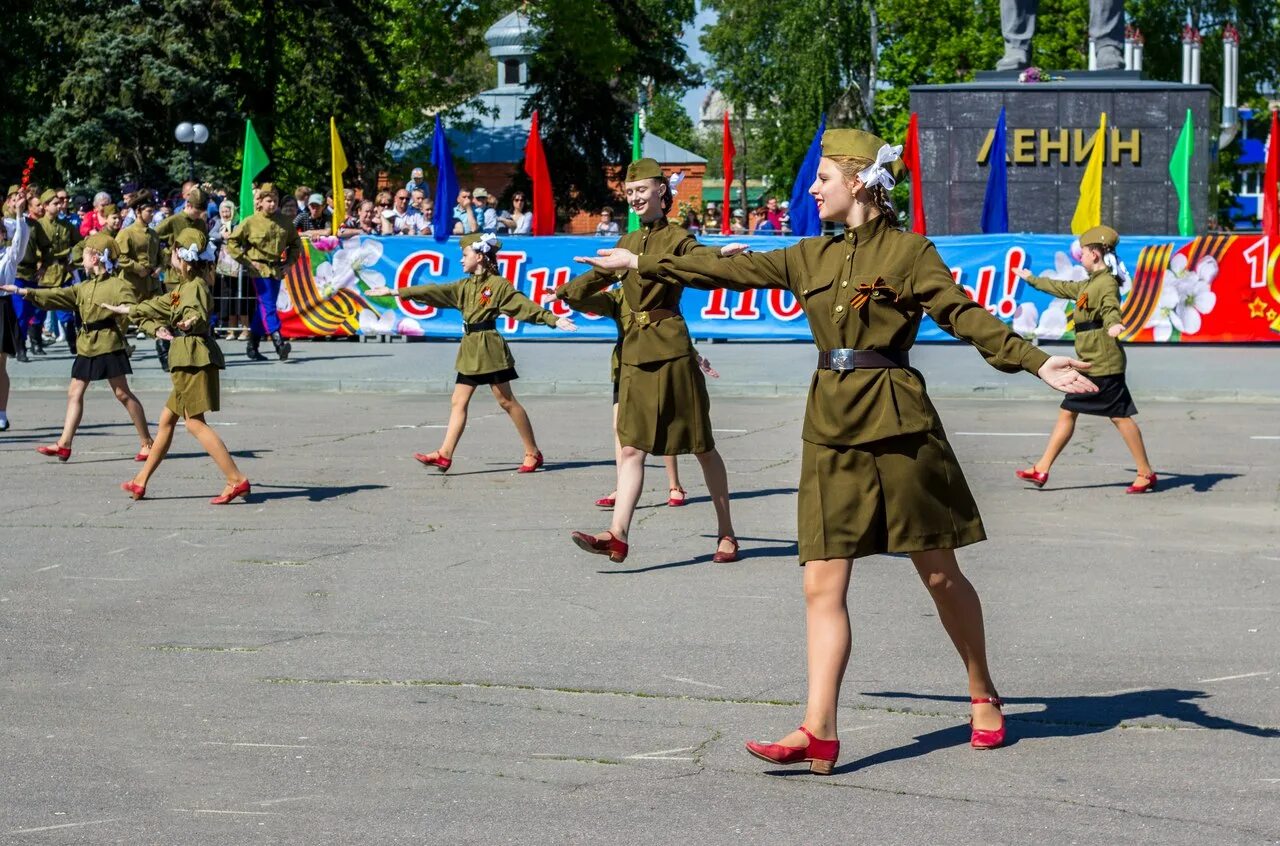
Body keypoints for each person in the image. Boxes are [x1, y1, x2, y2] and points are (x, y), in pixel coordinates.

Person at [577, 130, 1098, 772]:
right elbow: (726, 269)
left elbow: (964, 315)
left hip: (899, 426)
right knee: (821, 585)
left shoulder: (910, 253)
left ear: (858, 181)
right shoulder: (808, 257)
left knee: (937, 573)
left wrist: (1036, 362)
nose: (813, 188)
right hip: (829, 426)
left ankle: (982, 690)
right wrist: (642, 264)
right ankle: (818, 728)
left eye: (823, 176)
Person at [559, 157, 749, 565]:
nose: (635, 198)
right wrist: (581, 282)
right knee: (630, 450)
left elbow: (698, 262)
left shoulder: (678, 236)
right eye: (629, 193)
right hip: (634, 355)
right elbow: (586, 286)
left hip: (672, 351)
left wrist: (720, 252)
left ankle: (727, 532)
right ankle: (618, 534)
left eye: (641, 190)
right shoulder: (627, 241)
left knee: (701, 446)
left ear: (662, 191)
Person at [364, 233, 577, 472]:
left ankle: (532, 452)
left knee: (506, 401)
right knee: (458, 401)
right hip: (470, 348)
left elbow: (522, 305)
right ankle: (445, 454)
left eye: (465, 255)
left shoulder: (498, 285)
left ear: (480, 256)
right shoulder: (464, 286)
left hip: (490, 348)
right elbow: (434, 291)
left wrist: (552, 318)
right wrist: (395, 291)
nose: (461, 260)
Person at [103, 229, 249, 504]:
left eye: (172, 252)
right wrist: (127, 310)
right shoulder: (182, 286)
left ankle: (236, 479)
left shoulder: (194, 287)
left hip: (193, 358)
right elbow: (158, 304)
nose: (169, 256)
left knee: (194, 423)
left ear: (182, 257)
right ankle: (140, 481)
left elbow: (197, 311)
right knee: (166, 421)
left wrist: (190, 321)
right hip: (187, 358)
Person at [1014, 225, 1155, 492]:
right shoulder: (1090, 283)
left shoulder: (1106, 284)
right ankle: (1042, 468)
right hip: (1091, 360)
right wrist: (1031, 279)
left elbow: (1111, 308)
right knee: (1076, 412)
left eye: (1083, 252)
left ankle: (1145, 472)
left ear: (1095, 253)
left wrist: (1114, 324)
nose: (1079, 256)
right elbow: (1062, 287)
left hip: (1103, 364)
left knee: (1117, 416)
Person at [1, 233, 154, 463]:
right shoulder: (83, 287)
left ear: (95, 258)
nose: (80, 260)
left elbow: (133, 309)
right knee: (74, 392)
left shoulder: (118, 284)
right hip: (86, 345)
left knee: (122, 393)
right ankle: (64, 443)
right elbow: (57, 295)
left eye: (83, 255)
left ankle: (147, 443)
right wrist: (24, 291)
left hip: (108, 344)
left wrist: (148, 325)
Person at [566, 281, 717, 510]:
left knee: (667, 424)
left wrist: (694, 356)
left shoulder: (659, 294)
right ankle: (622, 487)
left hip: (659, 363)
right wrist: (565, 293)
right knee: (621, 428)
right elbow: (586, 302)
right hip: (626, 366)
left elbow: (673, 332)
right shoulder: (618, 297)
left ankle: (674, 485)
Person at [224, 183, 303, 362]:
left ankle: (253, 346)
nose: (272, 204)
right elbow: (232, 242)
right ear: (260, 202)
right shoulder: (250, 222)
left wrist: (289, 263)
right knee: (268, 305)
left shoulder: (284, 222)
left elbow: (295, 244)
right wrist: (247, 261)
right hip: (257, 270)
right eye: (269, 201)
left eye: (275, 201)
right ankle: (279, 344)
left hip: (275, 269)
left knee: (263, 309)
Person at [30, 189, 82, 356]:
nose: (59, 206)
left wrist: (73, 259)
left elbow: (79, 244)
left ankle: (73, 344)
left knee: (66, 309)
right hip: (44, 271)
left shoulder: (66, 225)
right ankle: (36, 344)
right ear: (45, 206)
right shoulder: (38, 226)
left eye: (60, 203)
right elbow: (33, 248)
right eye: (55, 203)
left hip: (63, 271)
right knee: (39, 309)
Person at [0, 188, 33, 429]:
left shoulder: (8, 256)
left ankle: (1, 412)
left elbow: (21, 241)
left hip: (2, 306)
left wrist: (20, 212)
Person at [209, 200, 250, 341]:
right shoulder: (218, 223)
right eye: (223, 211)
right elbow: (211, 234)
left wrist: (232, 235)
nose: (226, 214)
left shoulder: (240, 222)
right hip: (225, 264)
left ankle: (245, 329)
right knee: (228, 296)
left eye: (228, 211)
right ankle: (231, 330)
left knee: (242, 295)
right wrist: (222, 236)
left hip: (241, 264)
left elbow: (244, 236)